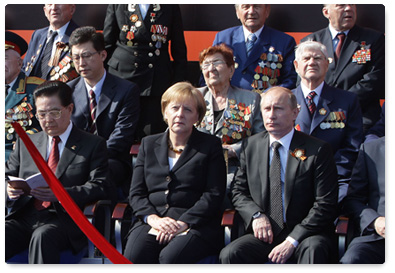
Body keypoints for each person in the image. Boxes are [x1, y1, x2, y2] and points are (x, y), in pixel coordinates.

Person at [220, 87, 338, 264]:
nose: (271, 115)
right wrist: (256, 215)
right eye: (267, 109)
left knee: (314, 249)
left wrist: (292, 240)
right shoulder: (250, 146)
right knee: (231, 254)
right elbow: (238, 191)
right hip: (265, 233)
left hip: (305, 234)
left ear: (295, 112)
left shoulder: (318, 150)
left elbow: (325, 203)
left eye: (279, 108)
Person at [5, 80, 110, 264]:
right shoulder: (26, 143)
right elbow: (7, 176)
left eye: (54, 112)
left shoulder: (92, 144)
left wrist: (60, 194)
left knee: (43, 236)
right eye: (42, 114)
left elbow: (100, 186)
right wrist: (9, 190)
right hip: (26, 215)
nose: (48, 120)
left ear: (69, 109)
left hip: (64, 219)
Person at [123, 82, 226, 264]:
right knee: (134, 255)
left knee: (171, 258)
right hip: (153, 220)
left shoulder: (210, 146)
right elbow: (136, 193)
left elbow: (213, 194)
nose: (180, 114)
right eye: (175, 108)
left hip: (195, 223)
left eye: (187, 110)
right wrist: (153, 219)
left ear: (197, 117)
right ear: (165, 112)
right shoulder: (148, 144)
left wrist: (183, 223)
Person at [67, 26, 140, 202]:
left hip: (111, 159)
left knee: (102, 174)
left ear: (103, 55)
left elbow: (122, 136)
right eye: (76, 57)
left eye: (86, 56)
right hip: (75, 159)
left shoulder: (126, 90)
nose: (81, 63)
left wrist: (90, 159)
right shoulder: (68, 91)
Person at [103, 4, 188, 140]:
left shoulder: (169, 6)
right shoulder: (118, 4)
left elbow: (179, 51)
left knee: (151, 137)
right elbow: (107, 44)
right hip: (122, 78)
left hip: (155, 82)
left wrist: (177, 86)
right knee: (119, 134)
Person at [292, 40, 363, 202]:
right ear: (296, 65)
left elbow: (352, 147)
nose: (312, 62)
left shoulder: (347, 101)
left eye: (317, 58)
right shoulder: (283, 100)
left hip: (333, 178)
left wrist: (327, 172)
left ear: (327, 64)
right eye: (306, 58)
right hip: (290, 178)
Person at [197, 44, 265, 205]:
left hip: (234, 168)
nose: (211, 69)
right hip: (197, 166)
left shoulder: (251, 99)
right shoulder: (194, 96)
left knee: (223, 191)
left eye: (217, 63)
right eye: (206, 65)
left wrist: (235, 150)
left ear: (231, 70)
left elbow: (262, 138)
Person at [301, 4, 385, 133]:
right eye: (341, 5)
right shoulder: (310, 42)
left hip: (360, 118)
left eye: (352, 4)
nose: (348, 9)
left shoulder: (373, 39)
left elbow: (373, 80)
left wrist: (341, 105)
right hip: (318, 118)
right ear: (326, 12)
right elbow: (302, 83)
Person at [210, 4, 296, 94]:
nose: (251, 12)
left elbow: (290, 80)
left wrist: (269, 96)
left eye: (256, 6)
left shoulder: (284, 41)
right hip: (229, 101)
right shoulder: (223, 38)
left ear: (267, 11)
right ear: (237, 12)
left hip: (264, 104)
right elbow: (209, 73)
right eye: (246, 7)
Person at [340, 137, 385, 264]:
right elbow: (353, 200)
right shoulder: (371, 150)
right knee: (353, 259)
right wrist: (375, 221)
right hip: (380, 238)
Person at [5, 31, 45, 161]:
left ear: (19, 63)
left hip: (19, 158)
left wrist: (27, 138)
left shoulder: (37, 89)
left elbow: (47, 126)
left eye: (4, 58)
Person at [22, 4, 79, 82]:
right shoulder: (38, 35)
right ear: (45, 11)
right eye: (50, 4)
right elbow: (25, 68)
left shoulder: (80, 37)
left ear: (72, 9)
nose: (54, 8)